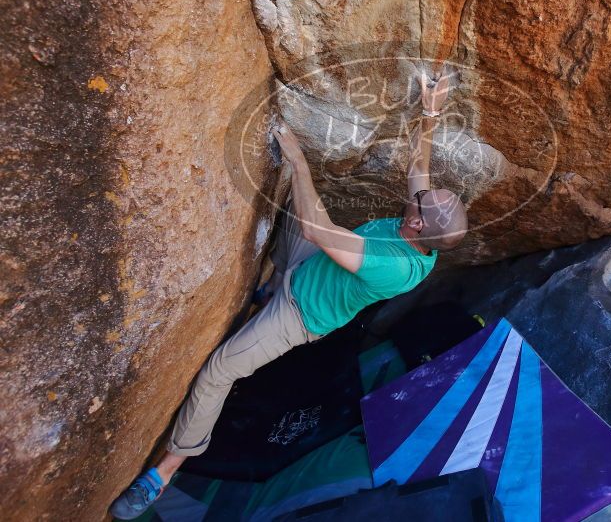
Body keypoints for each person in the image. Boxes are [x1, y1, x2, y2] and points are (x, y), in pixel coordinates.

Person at [110, 70, 468, 519]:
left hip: (299, 314)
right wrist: (431, 110)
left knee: (219, 371)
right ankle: (271, 282)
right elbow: (420, 165)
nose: (419, 193)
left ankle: (164, 471)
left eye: (423, 200)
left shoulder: (396, 265)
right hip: (310, 268)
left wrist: (299, 161)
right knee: (292, 220)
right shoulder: (422, 229)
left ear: (417, 226)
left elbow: (321, 229)